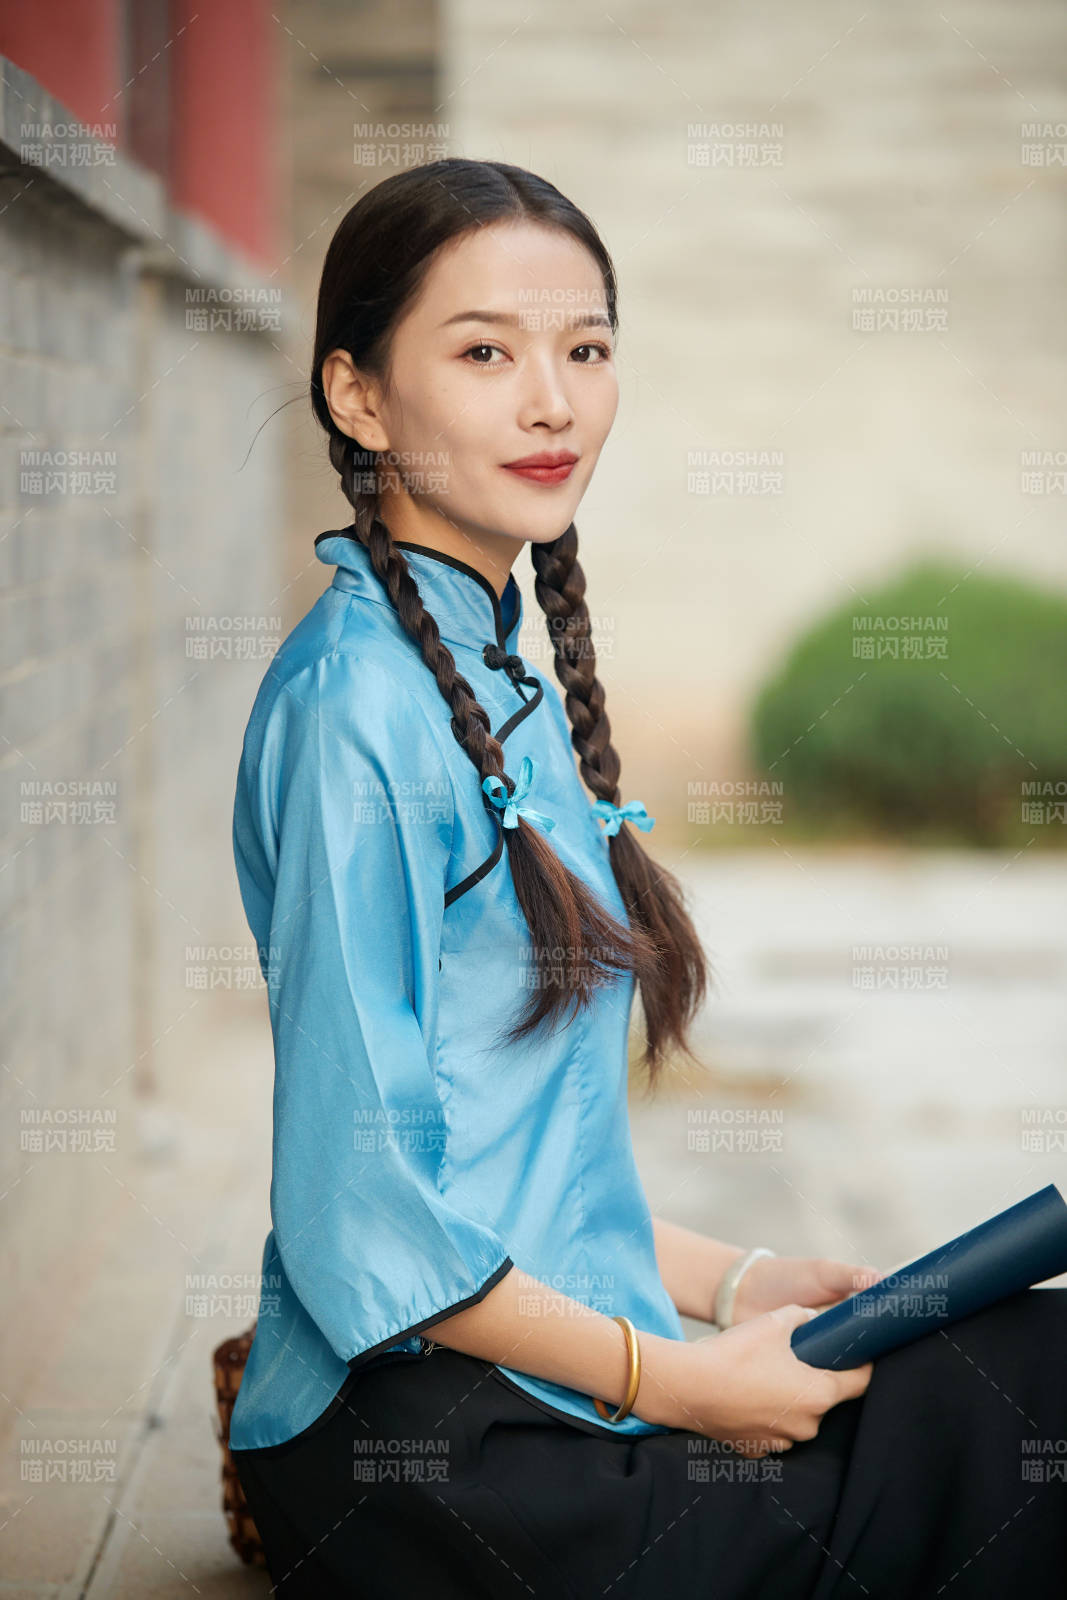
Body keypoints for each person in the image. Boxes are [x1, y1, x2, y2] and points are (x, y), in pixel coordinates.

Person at [228, 157, 1067, 1596]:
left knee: (1024, 1355)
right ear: (359, 396)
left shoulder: (501, 675)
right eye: (485, 350)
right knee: (1004, 1445)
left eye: (587, 349)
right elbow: (356, 1205)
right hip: (430, 1447)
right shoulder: (351, 709)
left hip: (549, 1367)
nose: (552, 400)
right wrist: (683, 1384)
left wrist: (739, 1287)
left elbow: (511, 1159)